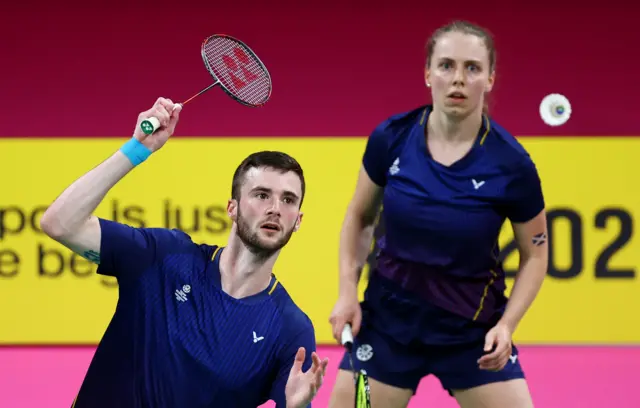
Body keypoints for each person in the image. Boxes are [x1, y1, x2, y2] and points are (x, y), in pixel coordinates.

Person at [40, 98, 328, 408]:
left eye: (288, 200)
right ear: (232, 208)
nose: (275, 208)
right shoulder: (164, 258)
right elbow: (59, 223)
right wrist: (137, 148)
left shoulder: (289, 328)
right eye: (261, 195)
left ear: (297, 220)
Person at [328, 20, 548, 408]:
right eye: (446, 66)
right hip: (388, 323)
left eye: (472, 68)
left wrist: (507, 325)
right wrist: (347, 292)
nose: (458, 79)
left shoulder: (511, 165)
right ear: (428, 74)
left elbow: (535, 254)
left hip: (471, 333)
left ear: (491, 79)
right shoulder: (391, 138)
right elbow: (359, 218)